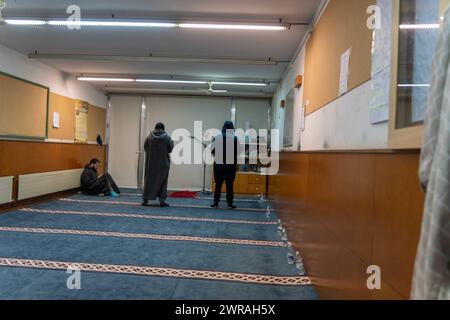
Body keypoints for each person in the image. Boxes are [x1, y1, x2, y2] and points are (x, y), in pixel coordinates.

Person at [211, 121, 242, 209]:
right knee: (229, 185)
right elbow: (238, 152)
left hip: (219, 166)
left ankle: (216, 203)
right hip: (230, 166)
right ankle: (229, 204)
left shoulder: (217, 138)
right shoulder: (235, 138)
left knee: (218, 184)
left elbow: (212, 151)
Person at [142, 122, 174, 207]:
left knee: (148, 181)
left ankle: (145, 200)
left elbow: (145, 148)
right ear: (163, 129)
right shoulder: (167, 138)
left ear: (155, 128)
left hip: (150, 164)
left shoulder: (149, 137)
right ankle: (162, 201)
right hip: (163, 165)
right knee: (163, 182)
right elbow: (170, 149)